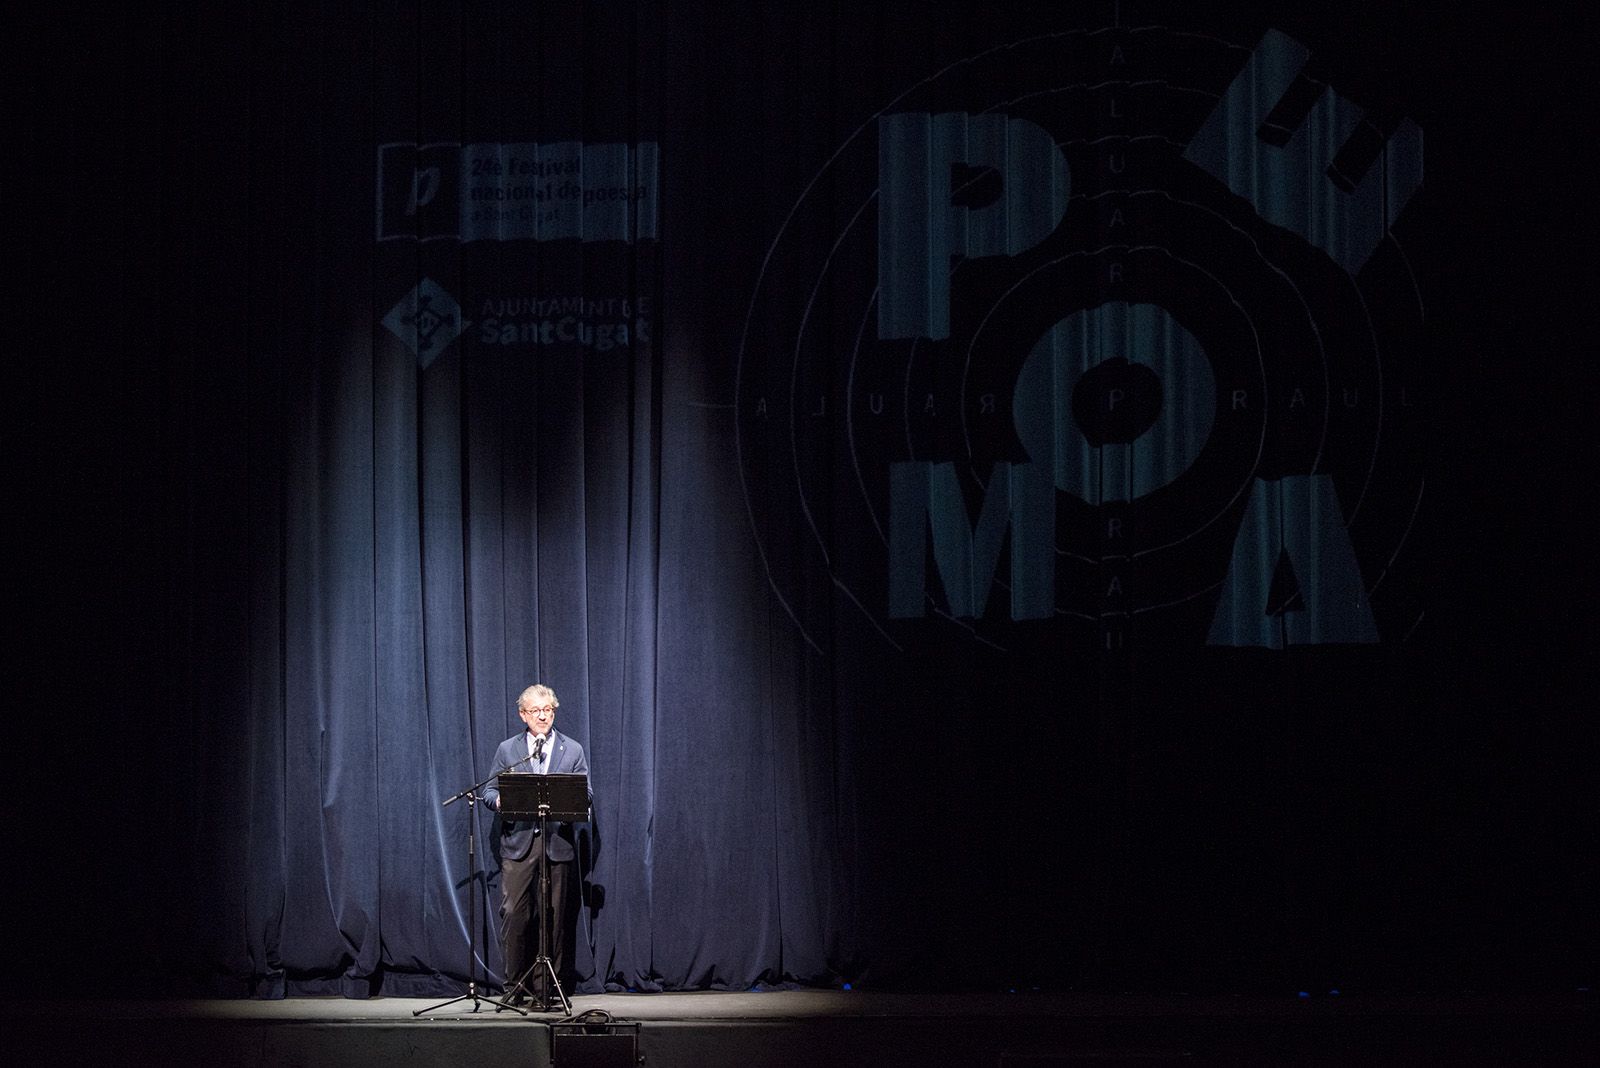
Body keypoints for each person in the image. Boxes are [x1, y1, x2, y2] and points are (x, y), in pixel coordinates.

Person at [483, 684, 591, 1004]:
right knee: (514, 913)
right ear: (523, 715)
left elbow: (586, 794)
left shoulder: (572, 750)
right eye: (536, 711)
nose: (543, 716)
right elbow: (489, 793)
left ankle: (546, 991)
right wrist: (503, 801)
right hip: (518, 845)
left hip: (557, 845)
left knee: (553, 918)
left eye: (548, 711)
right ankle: (513, 987)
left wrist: (571, 797)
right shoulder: (508, 749)